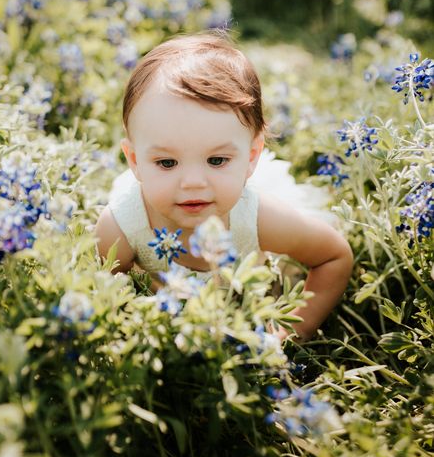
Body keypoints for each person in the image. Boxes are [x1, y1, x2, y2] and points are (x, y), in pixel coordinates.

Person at [95, 33, 353, 341]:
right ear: (135, 161)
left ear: (251, 157)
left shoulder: (257, 217)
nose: (192, 183)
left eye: (216, 160)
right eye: (166, 163)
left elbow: (333, 257)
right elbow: (102, 302)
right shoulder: (121, 227)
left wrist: (288, 336)